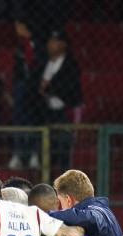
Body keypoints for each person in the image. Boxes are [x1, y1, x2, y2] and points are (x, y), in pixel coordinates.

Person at [39, 29, 82, 170]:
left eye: (55, 41)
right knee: (49, 152)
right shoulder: (45, 62)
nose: (51, 45)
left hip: (65, 112)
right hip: (48, 112)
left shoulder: (71, 64)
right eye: (50, 41)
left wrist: (48, 87)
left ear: (64, 45)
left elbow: (68, 86)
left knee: (64, 150)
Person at [9, 16, 47, 170]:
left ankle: (34, 154)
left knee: (33, 122)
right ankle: (19, 154)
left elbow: (38, 67)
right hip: (22, 88)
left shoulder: (39, 45)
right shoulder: (20, 46)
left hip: (34, 90)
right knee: (20, 121)